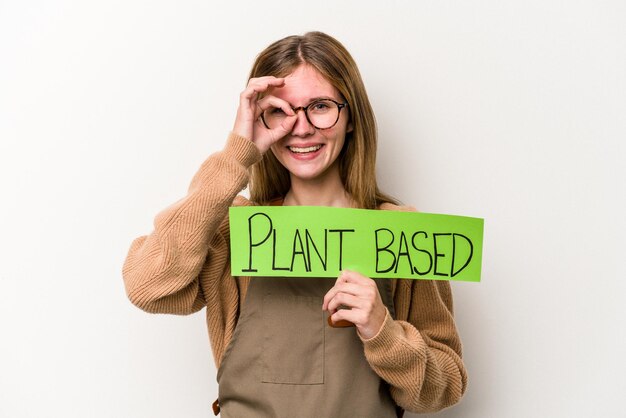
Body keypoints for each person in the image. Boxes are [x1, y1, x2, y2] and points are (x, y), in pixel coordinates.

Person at [123, 31, 467, 417]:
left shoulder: (401, 234)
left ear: (351, 117)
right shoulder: (235, 229)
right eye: (282, 111)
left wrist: (383, 332)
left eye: (320, 106)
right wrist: (238, 153)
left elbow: (446, 386)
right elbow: (147, 287)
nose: (302, 128)